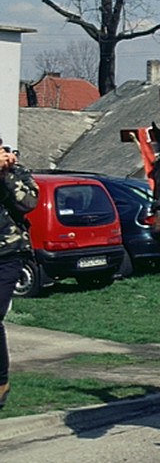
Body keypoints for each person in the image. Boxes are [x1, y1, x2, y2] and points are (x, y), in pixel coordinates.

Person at [0, 138, 38, 409]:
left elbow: (27, 203)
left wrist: (5, 175)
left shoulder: (18, 174)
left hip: (9, 253)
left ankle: (1, 382)